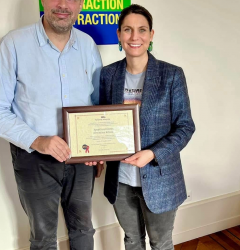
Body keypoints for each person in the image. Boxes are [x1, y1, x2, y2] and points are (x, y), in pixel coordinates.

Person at [0, 0, 103, 249]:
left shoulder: (87, 46)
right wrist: (38, 141)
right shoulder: (14, 43)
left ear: (80, 4)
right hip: (34, 158)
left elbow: (96, 103)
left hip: (82, 158)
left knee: (83, 229)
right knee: (43, 237)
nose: (62, 5)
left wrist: (100, 146)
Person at [99, 4, 195, 250]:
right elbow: (100, 122)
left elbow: (185, 127)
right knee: (132, 240)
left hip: (161, 177)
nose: (135, 37)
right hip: (120, 179)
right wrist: (95, 152)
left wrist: (152, 153)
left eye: (142, 30)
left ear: (151, 35)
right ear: (119, 34)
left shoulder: (172, 74)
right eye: (128, 30)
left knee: (160, 243)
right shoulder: (108, 75)